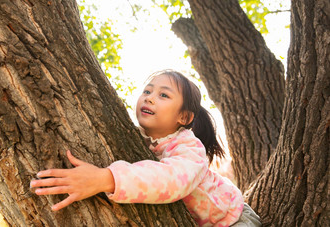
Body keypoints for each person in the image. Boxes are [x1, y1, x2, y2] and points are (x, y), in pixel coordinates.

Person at [30, 70, 261, 226]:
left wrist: (106, 179)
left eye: (163, 95)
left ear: (183, 116)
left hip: (234, 218)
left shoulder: (189, 146)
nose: (149, 98)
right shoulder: (141, 139)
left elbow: (171, 180)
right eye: (147, 91)